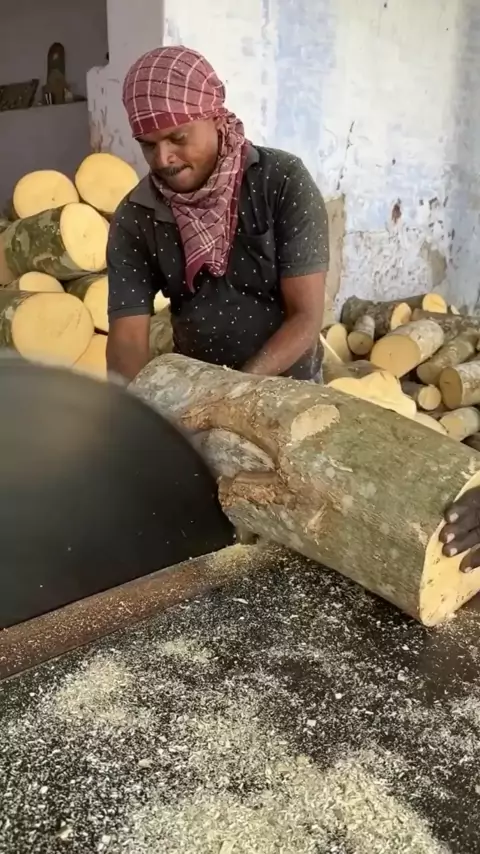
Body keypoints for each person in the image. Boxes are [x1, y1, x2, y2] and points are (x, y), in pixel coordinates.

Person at [106, 46, 328, 383]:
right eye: (147, 145)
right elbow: (128, 339)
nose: (163, 158)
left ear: (216, 118)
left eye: (177, 137)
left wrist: (234, 388)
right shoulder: (136, 216)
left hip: (291, 391)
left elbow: (306, 317)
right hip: (195, 391)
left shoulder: (281, 182)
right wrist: (126, 407)